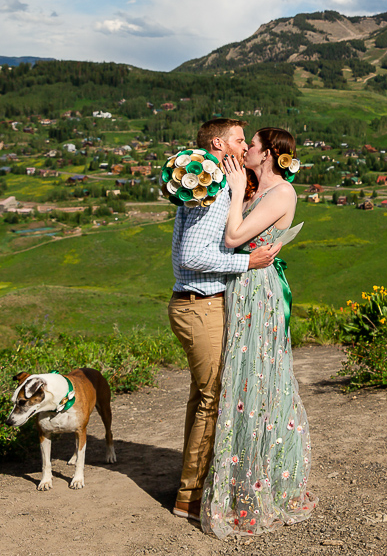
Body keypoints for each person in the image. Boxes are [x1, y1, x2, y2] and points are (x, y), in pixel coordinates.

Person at [201, 127, 316, 538]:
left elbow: (234, 237)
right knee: (241, 380)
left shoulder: (281, 193)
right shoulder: (255, 190)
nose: (245, 149)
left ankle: (259, 484)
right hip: (241, 286)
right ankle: (239, 480)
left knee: (257, 382)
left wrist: (234, 192)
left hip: (258, 292)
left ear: (267, 154)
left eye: (252, 146)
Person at [169, 118, 281, 522]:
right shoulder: (211, 189)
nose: (243, 144)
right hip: (200, 305)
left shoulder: (204, 183)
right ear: (220, 143)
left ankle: (189, 483)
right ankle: (189, 498)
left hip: (194, 302)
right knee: (210, 401)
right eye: (238, 138)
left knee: (202, 399)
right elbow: (190, 258)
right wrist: (246, 261)